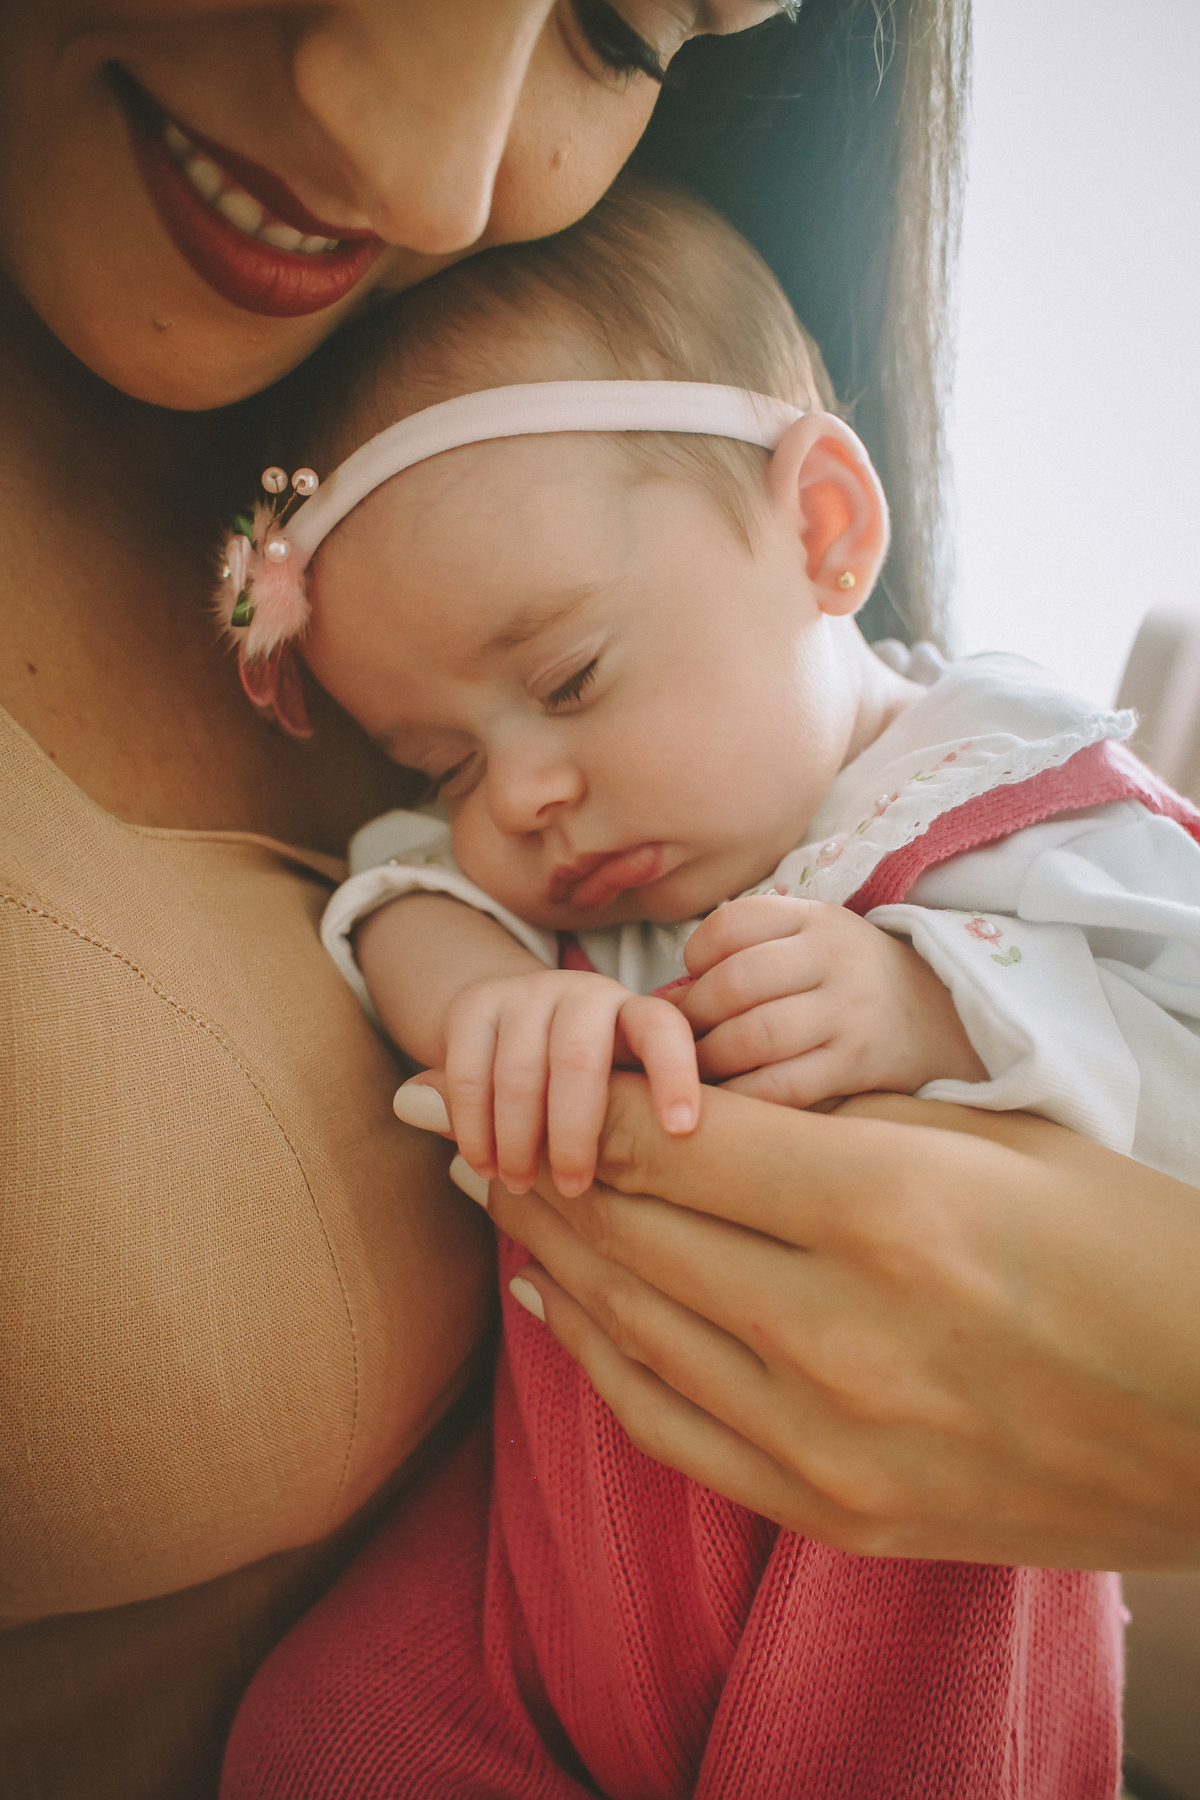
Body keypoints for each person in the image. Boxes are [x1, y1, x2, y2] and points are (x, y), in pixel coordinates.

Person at [2, 3, 1197, 1798]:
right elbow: (390, 893)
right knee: (319, 1739)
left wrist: (938, 1006)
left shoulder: (1016, 793)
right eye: (440, 759)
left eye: (565, 680)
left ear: (824, 533)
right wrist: (485, 1001)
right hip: (547, 1574)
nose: (520, 800)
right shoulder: (575, 871)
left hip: (891, 1576)